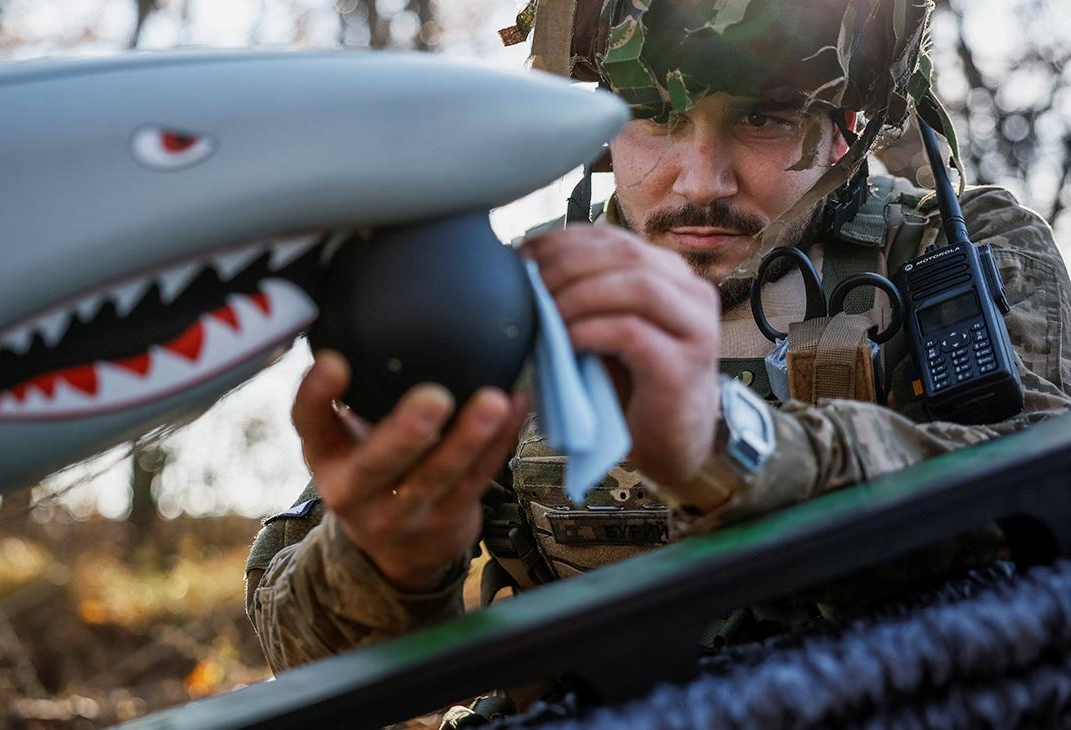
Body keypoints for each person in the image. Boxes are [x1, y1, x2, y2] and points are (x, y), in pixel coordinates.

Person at [245, 0, 1071, 677]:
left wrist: (733, 448)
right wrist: (386, 561)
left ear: (849, 124)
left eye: (767, 119)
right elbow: (304, 650)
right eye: (649, 116)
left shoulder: (951, 256)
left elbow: (1047, 523)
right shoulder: (507, 301)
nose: (700, 181)